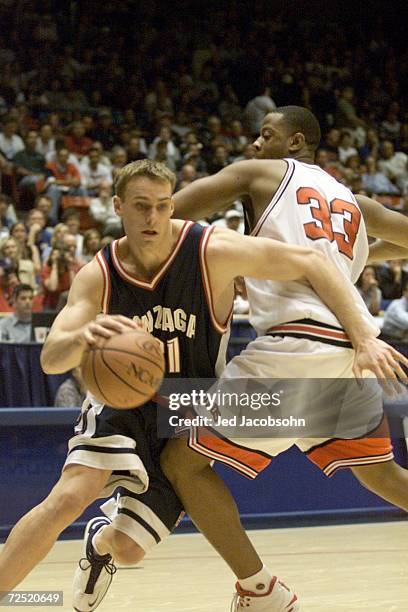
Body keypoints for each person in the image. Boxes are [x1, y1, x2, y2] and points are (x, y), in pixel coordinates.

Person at [0, 159, 401, 612]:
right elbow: (52, 359)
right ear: (118, 207)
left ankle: (101, 545)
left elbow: (311, 259)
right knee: (70, 496)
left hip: (185, 405)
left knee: (128, 548)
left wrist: (365, 334)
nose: (152, 218)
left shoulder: (210, 250)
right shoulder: (100, 272)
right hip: (122, 406)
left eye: (161, 206)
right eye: (140, 207)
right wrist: (82, 336)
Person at [160, 106, 408, 611]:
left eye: (265, 135)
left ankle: (261, 590)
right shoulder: (356, 202)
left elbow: (169, 213)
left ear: (295, 142)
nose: (254, 144)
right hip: (350, 352)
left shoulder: (259, 173)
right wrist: (358, 255)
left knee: (182, 462)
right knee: (384, 477)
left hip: (296, 345)